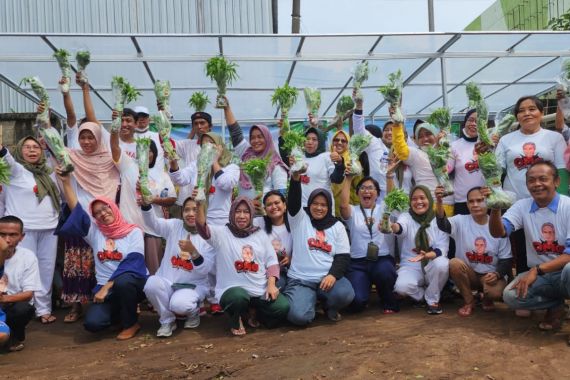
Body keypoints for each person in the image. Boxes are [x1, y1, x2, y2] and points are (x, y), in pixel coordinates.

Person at [56, 169, 147, 340]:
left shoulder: (133, 231)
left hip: (132, 283)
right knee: (93, 324)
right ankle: (120, 314)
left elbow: (133, 262)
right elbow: (76, 211)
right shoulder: (96, 233)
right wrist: (66, 183)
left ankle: (131, 323)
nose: (103, 214)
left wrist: (106, 286)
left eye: (105, 208)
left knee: (124, 282)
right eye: (97, 213)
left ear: (113, 208)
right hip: (107, 289)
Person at [58, 77, 121, 323]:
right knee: (76, 260)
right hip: (81, 215)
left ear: (99, 137)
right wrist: (68, 92)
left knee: (104, 259)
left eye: (90, 136)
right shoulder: (73, 156)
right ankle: (76, 305)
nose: (86, 141)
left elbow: (92, 118)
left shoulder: (109, 157)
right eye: (82, 137)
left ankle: (108, 300)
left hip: (105, 218)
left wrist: (86, 89)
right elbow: (72, 115)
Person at [487, 161, 570, 343]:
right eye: (531, 180)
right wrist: (494, 207)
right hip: (544, 276)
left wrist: (536, 270)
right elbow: (499, 232)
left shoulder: (568, 207)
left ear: (556, 181)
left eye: (543, 179)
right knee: (511, 296)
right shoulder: (522, 206)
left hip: (559, 271)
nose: (537, 184)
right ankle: (557, 306)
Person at [494, 96, 568, 275]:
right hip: (516, 205)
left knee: (553, 247)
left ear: (541, 113)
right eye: (521, 110)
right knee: (520, 251)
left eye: (532, 109)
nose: (527, 113)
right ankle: (523, 286)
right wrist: (495, 199)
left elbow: (561, 172)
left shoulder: (554, 138)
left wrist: (563, 204)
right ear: (516, 116)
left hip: (547, 206)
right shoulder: (506, 140)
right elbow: (495, 172)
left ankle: (555, 289)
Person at [195, 196, 289, 336]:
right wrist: (199, 204)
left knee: (282, 307)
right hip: (232, 291)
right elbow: (202, 228)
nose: (242, 216)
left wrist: (271, 284)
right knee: (238, 297)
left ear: (251, 214)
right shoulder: (221, 234)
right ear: (232, 213)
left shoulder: (260, 234)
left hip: (258, 290)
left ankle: (253, 313)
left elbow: (272, 262)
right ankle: (235, 318)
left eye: (246, 212)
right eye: (238, 212)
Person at [0, 136, 60, 324]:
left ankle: (43, 309)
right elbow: (6, 158)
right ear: (20, 150)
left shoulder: (48, 171)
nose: (32, 150)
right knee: (21, 268)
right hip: (22, 231)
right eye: (27, 147)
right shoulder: (16, 170)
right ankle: (22, 308)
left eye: (35, 147)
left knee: (46, 270)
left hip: (49, 228)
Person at [110, 111, 177, 275]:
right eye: (142, 150)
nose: (146, 154)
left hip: (153, 229)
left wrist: (153, 199)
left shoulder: (161, 175)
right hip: (131, 228)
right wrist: (115, 125)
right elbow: (114, 146)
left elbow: (173, 199)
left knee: (154, 270)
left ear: (154, 155)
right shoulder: (128, 165)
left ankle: (151, 299)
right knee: (131, 270)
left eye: (149, 151)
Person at [283, 172, 354, 325]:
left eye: (323, 205)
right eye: (315, 203)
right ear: (309, 204)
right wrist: (295, 180)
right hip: (301, 280)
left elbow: (343, 257)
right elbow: (294, 202)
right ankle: (310, 303)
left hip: (325, 279)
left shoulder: (337, 226)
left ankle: (329, 307)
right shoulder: (300, 219)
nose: (319, 208)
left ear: (329, 207)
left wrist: (333, 275)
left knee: (345, 294)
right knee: (298, 317)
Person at [142, 197, 215, 337]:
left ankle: (194, 312)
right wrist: (146, 205)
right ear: (182, 213)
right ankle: (167, 320)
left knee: (180, 305)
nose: (191, 213)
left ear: (203, 212)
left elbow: (205, 269)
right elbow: (153, 223)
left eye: (195, 209)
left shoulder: (209, 236)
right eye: (187, 210)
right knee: (151, 284)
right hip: (168, 280)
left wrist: (193, 251)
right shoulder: (175, 226)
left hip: (192, 285)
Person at [435, 186, 512, 316]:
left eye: (480, 200)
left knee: (495, 293)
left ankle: (487, 299)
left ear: (488, 201)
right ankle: (469, 301)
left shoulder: (497, 224)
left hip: (490, 276)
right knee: (454, 263)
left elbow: (506, 259)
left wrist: (498, 274)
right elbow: (443, 225)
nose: (475, 204)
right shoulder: (460, 220)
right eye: (471, 201)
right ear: (467, 204)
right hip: (469, 274)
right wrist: (439, 202)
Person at [339, 174, 398, 313]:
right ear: (358, 193)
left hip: (381, 259)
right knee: (357, 301)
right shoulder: (353, 211)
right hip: (358, 263)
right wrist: (348, 179)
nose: (366, 191)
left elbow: (392, 197)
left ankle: (387, 300)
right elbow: (342, 206)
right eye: (363, 188)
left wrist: (389, 176)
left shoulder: (383, 208)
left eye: (371, 188)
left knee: (385, 272)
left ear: (377, 193)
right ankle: (363, 296)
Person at [386, 185, 449, 314]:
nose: (418, 202)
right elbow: (400, 228)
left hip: (432, 262)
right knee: (401, 287)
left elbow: (442, 247)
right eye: (414, 199)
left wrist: (428, 255)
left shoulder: (439, 218)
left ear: (429, 200)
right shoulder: (406, 216)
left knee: (442, 264)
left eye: (422, 198)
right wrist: (393, 226)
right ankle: (423, 296)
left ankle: (433, 300)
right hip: (411, 264)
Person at [224, 98, 289, 201]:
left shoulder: (275, 163)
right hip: (244, 213)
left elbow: (281, 197)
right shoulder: (247, 153)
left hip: (264, 214)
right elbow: (235, 133)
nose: (256, 140)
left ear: (267, 138)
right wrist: (226, 108)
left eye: (260, 137)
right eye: (252, 137)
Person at [0, 216, 41, 352]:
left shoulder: (28, 257)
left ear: (21, 237)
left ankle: (15, 336)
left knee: (24, 309)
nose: (7, 239)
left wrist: (3, 299)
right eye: (2, 234)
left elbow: (29, 294)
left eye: (13, 235)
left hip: (10, 305)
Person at [286, 125, 345, 208]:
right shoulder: (299, 158)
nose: (310, 142)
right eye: (307, 139)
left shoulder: (326, 157)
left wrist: (339, 163)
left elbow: (337, 179)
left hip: (322, 208)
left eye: (314, 139)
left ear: (320, 141)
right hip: (302, 208)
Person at [447, 109, 485, 215]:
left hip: (485, 199)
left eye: (477, 122)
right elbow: (446, 170)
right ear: (465, 122)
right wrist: (441, 151)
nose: (473, 124)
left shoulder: (488, 145)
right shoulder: (454, 146)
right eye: (470, 120)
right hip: (463, 200)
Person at [253, 191, 292, 290]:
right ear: (265, 209)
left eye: (277, 203)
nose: (274, 207)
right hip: (260, 270)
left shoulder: (293, 225)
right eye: (269, 204)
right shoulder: (259, 222)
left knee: (274, 286)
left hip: (282, 272)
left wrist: (291, 259)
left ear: (284, 205)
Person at [329, 130, 360, 216]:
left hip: (346, 210)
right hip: (327, 209)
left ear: (348, 144)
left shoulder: (353, 161)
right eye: (336, 140)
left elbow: (359, 186)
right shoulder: (325, 158)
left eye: (343, 141)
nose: (339, 143)